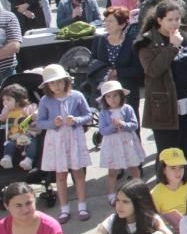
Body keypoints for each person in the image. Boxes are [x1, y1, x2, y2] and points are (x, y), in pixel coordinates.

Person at [135, 0, 187, 180]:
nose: (174, 24)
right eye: (170, 20)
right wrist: (172, 47)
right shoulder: (145, 43)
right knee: (168, 156)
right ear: (159, 20)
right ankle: (165, 194)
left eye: (177, 19)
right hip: (164, 108)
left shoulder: (185, 37)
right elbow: (153, 70)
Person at [35, 64, 92, 224]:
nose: (57, 86)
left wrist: (76, 120)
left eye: (60, 82)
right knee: (60, 175)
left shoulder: (77, 95)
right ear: (47, 86)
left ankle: (82, 206)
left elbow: (88, 115)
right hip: (56, 140)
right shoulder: (46, 100)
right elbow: (40, 123)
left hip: (74, 137)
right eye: (52, 83)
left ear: (66, 81)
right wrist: (53, 123)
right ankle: (64, 208)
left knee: (78, 173)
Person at [97, 80, 144, 208]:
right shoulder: (103, 113)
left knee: (134, 167)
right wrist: (113, 126)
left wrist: (123, 124)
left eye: (115, 95)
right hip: (112, 144)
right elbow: (102, 130)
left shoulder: (127, 108)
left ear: (121, 96)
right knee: (113, 171)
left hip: (127, 142)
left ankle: (138, 190)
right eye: (108, 96)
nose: (112, 99)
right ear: (104, 99)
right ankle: (111, 194)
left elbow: (134, 125)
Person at [0, 84, 38, 172]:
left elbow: (36, 114)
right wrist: (5, 112)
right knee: (9, 144)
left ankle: (29, 159)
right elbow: (2, 118)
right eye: (3, 100)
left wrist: (34, 115)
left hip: (27, 134)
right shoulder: (8, 111)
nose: (5, 102)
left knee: (32, 143)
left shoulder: (28, 108)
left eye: (8, 100)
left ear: (18, 100)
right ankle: (7, 158)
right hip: (14, 136)